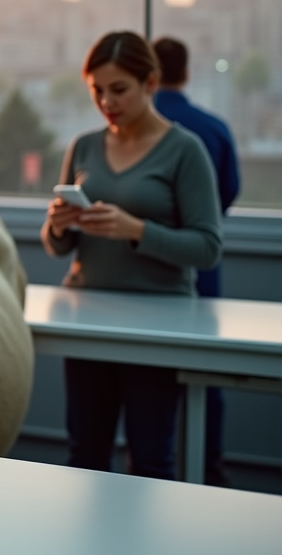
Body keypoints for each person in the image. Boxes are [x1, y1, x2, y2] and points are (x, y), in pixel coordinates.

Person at [42, 30, 223, 481]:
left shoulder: (185, 151)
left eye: (118, 89)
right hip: (88, 321)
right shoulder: (83, 146)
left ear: (151, 83)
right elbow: (58, 246)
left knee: (150, 461)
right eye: (97, 91)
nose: (106, 101)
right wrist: (59, 226)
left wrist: (136, 230)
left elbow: (208, 247)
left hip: (158, 325)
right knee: (85, 455)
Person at [152, 35, 241, 486]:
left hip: (146, 282)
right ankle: (209, 468)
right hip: (201, 280)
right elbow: (224, 199)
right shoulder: (213, 128)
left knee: (147, 391)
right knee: (207, 377)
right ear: (186, 72)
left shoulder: (148, 134)